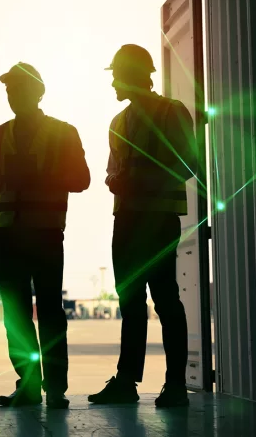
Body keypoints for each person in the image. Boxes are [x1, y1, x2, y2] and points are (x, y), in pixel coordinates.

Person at [0, 62, 90, 409]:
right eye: (9, 90)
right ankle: (28, 384)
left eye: (20, 89)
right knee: (16, 315)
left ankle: (55, 389)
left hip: (44, 234)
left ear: (38, 92)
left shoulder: (63, 132)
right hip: (8, 235)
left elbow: (82, 180)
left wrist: (41, 173)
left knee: (51, 312)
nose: (13, 96)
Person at [88, 44, 196, 409]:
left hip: (158, 219)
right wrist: (117, 180)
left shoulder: (171, 112)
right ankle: (126, 381)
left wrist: (138, 180)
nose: (113, 84)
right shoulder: (118, 122)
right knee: (131, 301)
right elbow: (113, 170)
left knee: (166, 300)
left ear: (133, 75)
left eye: (116, 75)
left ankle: (176, 385)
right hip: (128, 221)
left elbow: (188, 163)